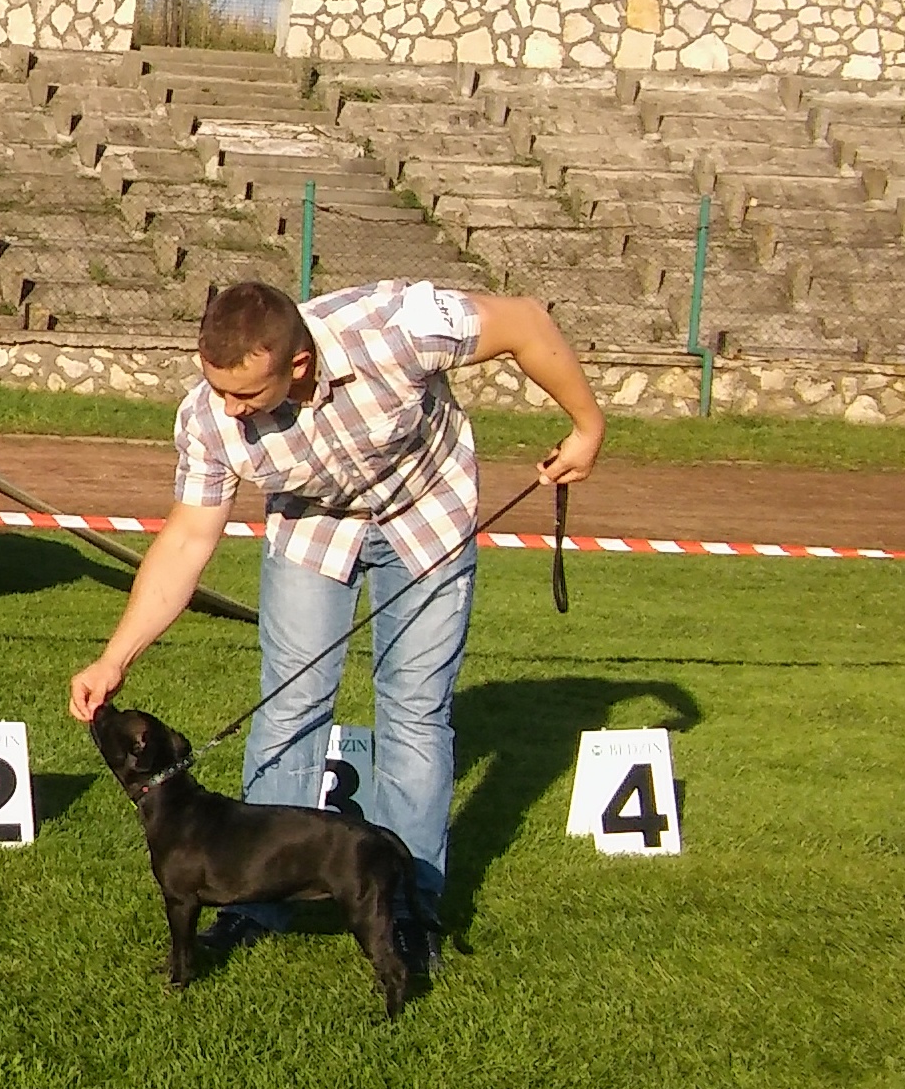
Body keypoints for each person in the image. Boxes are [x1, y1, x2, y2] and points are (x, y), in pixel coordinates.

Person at [67, 279, 605, 965]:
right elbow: (186, 542)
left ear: (297, 364)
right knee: (290, 707)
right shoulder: (207, 417)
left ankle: (409, 910)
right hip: (313, 531)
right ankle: (257, 903)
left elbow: (525, 320)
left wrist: (587, 427)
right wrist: (115, 658)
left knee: (414, 714)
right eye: (218, 389)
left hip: (428, 520)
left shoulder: (394, 326)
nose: (228, 408)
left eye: (244, 395)